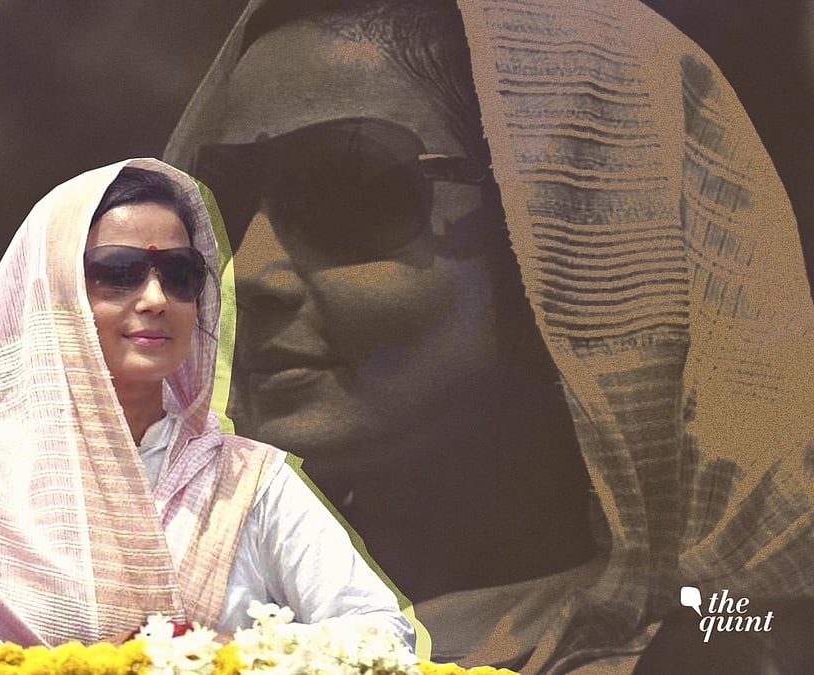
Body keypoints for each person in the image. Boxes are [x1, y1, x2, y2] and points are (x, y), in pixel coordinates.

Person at [165, 0, 814, 672]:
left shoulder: (735, 653)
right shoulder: (159, 632)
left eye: (349, 190)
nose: (247, 271)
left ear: (567, 235)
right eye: (222, 204)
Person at [0, 160, 418, 658]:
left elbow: (382, 634)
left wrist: (214, 658)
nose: (155, 298)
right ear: (59, 291)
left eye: (179, 273)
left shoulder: (246, 482)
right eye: (119, 272)